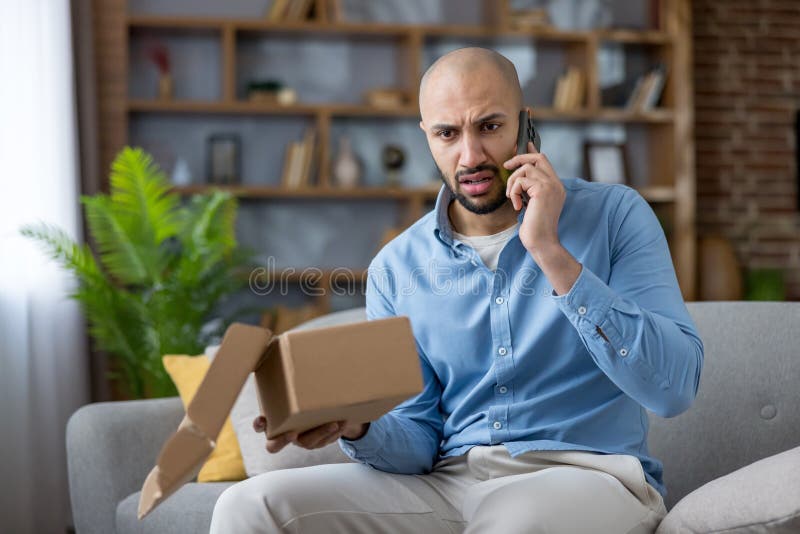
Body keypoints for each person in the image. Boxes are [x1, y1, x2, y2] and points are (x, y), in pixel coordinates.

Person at [210, 47, 703, 534]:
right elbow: (417, 438)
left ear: (526, 125)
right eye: (448, 133)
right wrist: (357, 426)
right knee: (248, 505)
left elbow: (673, 388)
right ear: (427, 137)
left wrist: (550, 251)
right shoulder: (395, 267)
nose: (470, 156)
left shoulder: (616, 216)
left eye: (489, 126)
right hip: (449, 486)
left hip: (586, 478)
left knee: (512, 521)